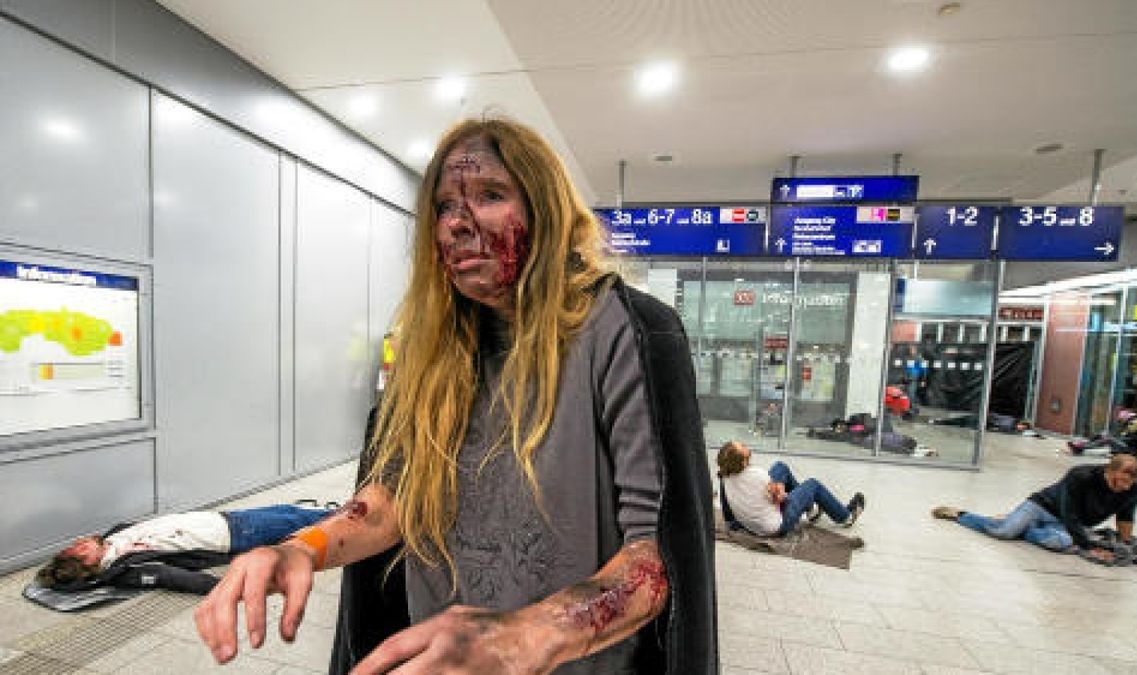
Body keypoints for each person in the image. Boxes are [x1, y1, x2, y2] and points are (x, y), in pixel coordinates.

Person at [193, 117, 716, 675]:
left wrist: (525, 635)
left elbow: (658, 555)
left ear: (545, 208)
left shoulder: (625, 332)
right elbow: (397, 496)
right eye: (445, 207)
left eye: (491, 195)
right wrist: (302, 548)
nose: (459, 225)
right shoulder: (432, 345)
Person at [35, 504, 332, 594]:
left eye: (75, 544)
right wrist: (225, 589)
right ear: (87, 565)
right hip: (232, 535)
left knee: (292, 512)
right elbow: (171, 576)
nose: (79, 542)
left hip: (223, 518)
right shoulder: (126, 567)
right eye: (78, 551)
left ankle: (350, 513)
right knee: (305, 521)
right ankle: (359, 517)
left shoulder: (113, 538)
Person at [932, 454, 1137, 559]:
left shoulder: (1132, 489)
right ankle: (961, 515)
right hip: (1043, 506)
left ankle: (1025, 529)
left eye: (1128, 483)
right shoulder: (1081, 475)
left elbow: (1126, 516)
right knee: (1004, 531)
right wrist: (1088, 546)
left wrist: (1125, 544)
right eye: (1119, 481)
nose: (1123, 487)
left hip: (1068, 524)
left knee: (1061, 543)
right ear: (1109, 470)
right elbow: (1069, 511)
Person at [716, 440, 865, 536]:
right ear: (742, 462)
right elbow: (781, 501)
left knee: (780, 467)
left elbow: (727, 506)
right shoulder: (758, 475)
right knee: (813, 485)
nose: (744, 445)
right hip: (775, 527)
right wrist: (782, 490)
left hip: (746, 524)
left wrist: (732, 523)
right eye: (742, 447)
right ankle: (845, 516)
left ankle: (811, 510)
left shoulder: (724, 475)